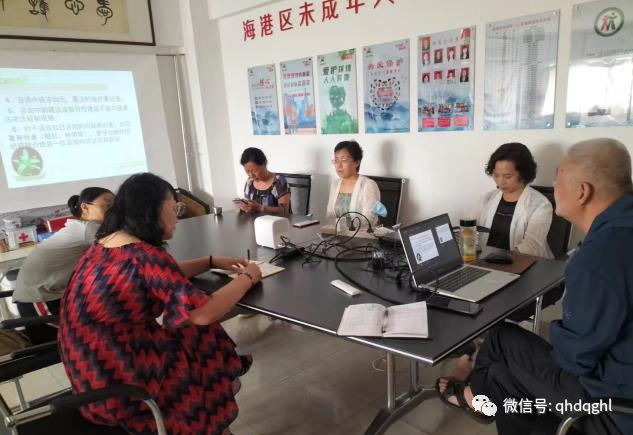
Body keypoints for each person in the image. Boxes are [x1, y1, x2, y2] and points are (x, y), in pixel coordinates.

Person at [437, 138, 633, 435]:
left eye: (558, 179)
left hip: (609, 407)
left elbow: (573, 357)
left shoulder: (600, 258)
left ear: (582, 192)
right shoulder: (621, 230)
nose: (553, 188)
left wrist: (557, 336)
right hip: (619, 385)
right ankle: (479, 393)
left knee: (500, 338)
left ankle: (473, 397)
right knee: (501, 373)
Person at [58, 173, 262, 435]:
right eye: (174, 208)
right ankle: (218, 406)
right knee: (198, 331)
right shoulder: (146, 256)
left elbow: (157, 275)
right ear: (152, 209)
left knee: (191, 330)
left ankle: (227, 373)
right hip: (122, 379)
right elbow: (204, 313)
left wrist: (209, 261)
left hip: (88, 369)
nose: (177, 217)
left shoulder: (106, 243)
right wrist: (248, 277)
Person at [13, 187, 114, 344]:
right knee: (96, 334)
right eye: (107, 205)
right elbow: (123, 248)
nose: (113, 210)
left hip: (51, 295)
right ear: (85, 207)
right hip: (39, 301)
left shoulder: (82, 227)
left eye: (115, 205)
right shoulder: (88, 229)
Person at [470, 142, 554, 259]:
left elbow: (531, 247)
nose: (500, 182)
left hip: (524, 262)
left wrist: (500, 261)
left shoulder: (540, 205)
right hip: (486, 261)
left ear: (523, 174)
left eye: (507, 176)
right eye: (496, 175)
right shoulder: (486, 199)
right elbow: (468, 229)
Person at [326, 140, 380, 229]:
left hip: (362, 235)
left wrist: (344, 224)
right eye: (336, 160)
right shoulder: (335, 184)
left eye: (343, 160)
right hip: (338, 234)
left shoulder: (368, 185)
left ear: (356, 162)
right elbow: (330, 215)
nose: (338, 165)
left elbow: (369, 220)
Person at [238, 147, 290, 215]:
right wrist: (245, 207)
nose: (251, 175)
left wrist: (260, 207)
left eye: (254, 171)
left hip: (276, 221)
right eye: (247, 171)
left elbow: (284, 211)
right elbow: (248, 206)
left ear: (264, 164)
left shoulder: (279, 181)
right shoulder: (250, 182)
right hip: (255, 221)